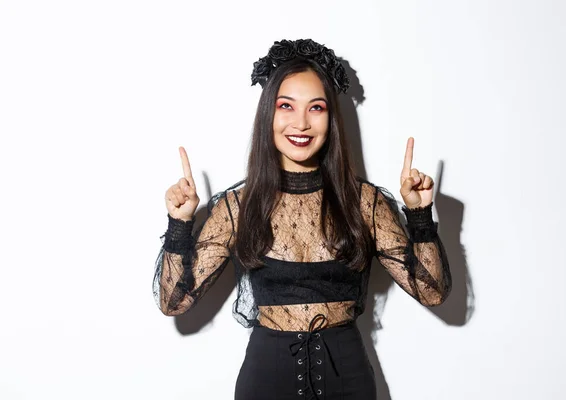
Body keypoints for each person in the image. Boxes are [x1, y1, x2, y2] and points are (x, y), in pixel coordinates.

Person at [153, 39, 452, 400]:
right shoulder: (238, 206)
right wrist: (180, 224)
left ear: (331, 119)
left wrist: (419, 215)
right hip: (265, 383)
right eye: (286, 106)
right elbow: (173, 302)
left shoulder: (364, 203)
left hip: (349, 384)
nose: (301, 123)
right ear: (269, 115)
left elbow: (433, 292)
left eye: (316, 108)